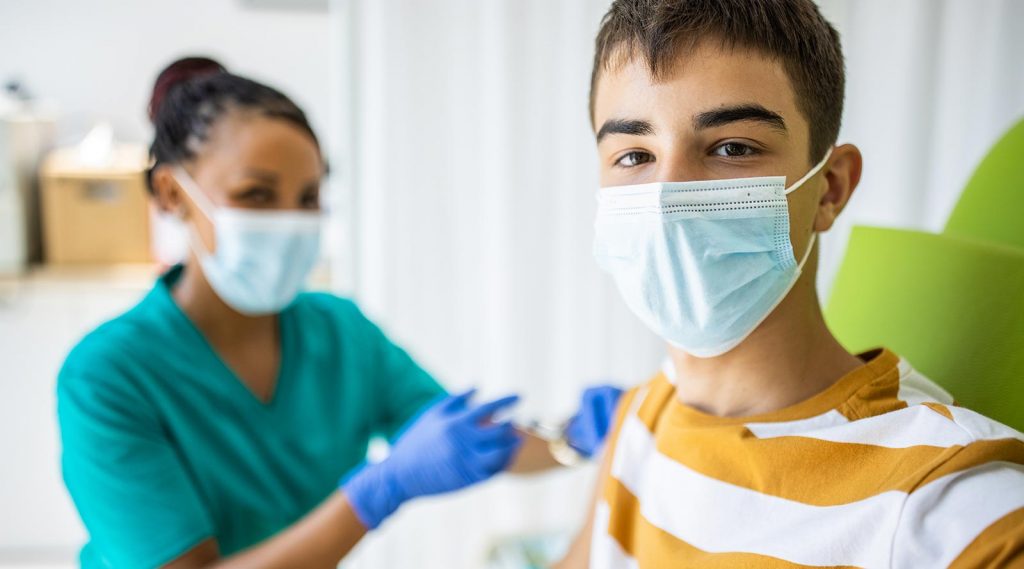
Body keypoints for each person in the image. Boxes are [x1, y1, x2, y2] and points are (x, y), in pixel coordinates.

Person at [57, 57, 623, 569]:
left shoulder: (337, 332)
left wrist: (579, 436)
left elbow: (466, 439)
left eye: (308, 199)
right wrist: (379, 490)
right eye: (257, 195)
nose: (289, 221)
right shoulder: (107, 376)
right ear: (173, 194)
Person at [554, 1, 1024, 567]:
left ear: (829, 188)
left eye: (732, 148)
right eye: (634, 155)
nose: (667, 199)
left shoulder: (951, 508)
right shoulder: (638, 421)